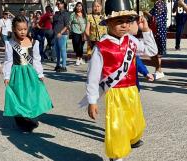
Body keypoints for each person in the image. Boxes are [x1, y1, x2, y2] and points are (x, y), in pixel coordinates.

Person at [85, 0, 158, 160]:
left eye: (127, 21)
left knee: (136, 124)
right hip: (115, 93)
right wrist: (92, 100)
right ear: (109, 23)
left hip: (132, 91)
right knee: (117, 127)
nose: (124, 25)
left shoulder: (131, 41)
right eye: (119, 21)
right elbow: (93, 76)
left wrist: (146, 30)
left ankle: (131, 139)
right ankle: (116, 156)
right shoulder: (101, 47)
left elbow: (152, 51)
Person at [3, 15, 53, 132]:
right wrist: (7, 76)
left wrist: (40, 74)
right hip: (17, 73)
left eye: (25, 29)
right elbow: (8, 61)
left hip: (30, 73)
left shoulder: (33, 42)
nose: (23, 32)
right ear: (14, 29)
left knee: (31, 95)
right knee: (19, 96)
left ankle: (30, 117)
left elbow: (36, 60)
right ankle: (21, 120)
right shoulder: (10, 44)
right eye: (20, 29)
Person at [146, 0, 167, 79]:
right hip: (158, 31)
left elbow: (155, 19)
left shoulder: (159, 3)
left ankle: (158, 70)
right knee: (155, 52)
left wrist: (145, 13)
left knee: (155, 52)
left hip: (158, 32)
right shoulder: (158, 4)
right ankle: (158, 70)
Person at [53, 0, 70, 72]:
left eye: (59, 4)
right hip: (56, 34)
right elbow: (54, 23)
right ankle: (58, 65)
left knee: (63, 50)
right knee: (57, 51)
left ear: (63, 4)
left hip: (62, 35)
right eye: (57, 4)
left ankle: (64, 66)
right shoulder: (56, 13)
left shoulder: (66, 13)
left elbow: (67, 25)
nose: (57, 5)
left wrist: (61, 32)